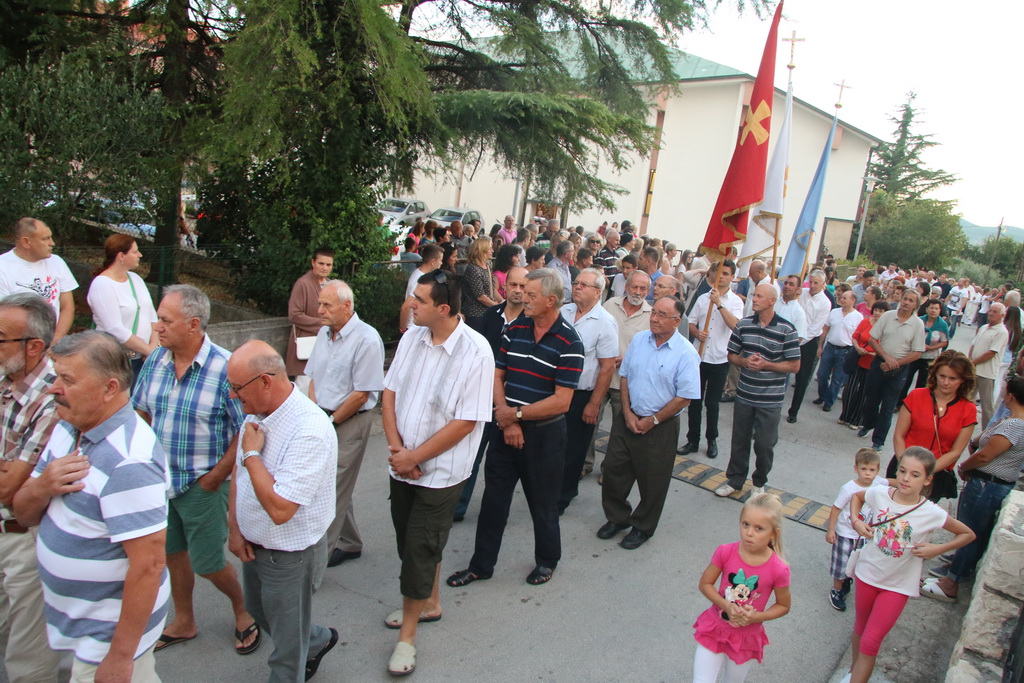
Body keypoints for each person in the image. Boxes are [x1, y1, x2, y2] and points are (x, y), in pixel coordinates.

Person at [13, 331, 170, 682]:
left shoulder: (130, 462)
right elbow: (23, 513)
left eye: (68, 380)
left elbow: (149, 565)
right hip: (73, 627)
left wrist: (120, 658)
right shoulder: (67, 427)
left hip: (105, 641)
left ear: (109, 388)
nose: (54, 389)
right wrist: (43, 485)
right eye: (56, 376)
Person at [131, 284, 258, 655]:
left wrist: (215, 477)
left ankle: (244, 609)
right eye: (158, 318)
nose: (157, 326)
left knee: (208, 563)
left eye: (165, 320)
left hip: (203, 485)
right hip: (160, 482)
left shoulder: (226, 367)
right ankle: (184, 621)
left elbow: (247, 427)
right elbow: (140, 411)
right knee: (171, 555)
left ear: (193, 324)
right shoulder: (156, 360)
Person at [381, 268, 493, 675]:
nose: (410, 304)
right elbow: (389, 394)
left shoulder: (477, 352)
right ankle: (428, 601)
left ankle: (407, 637)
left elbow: (466, 423)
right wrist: (399, 451)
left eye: (419, 300)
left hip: (441, 474)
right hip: (402, 465)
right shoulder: (412, 337)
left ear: (443, 309)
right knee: (410, 541)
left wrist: (415, 458)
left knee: (420, 548)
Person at [446, 269, 583, 588]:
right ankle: (481, 565)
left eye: (531, 295)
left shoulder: (570, 342)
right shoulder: (516, 328)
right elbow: (497, 375)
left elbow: (562, 401)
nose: (523, 298)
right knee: (493, 502)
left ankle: (547, 560)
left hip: (545, 436)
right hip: (505, 428)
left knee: (543, 504)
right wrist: (506, 417)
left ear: (551, 300)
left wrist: (515, 416)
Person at [225, 342, 339, 682]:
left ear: (265, 381)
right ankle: (315, 639)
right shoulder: (256, 411)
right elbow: (239, 475)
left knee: (287, 653)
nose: (232, 395)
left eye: (237, 387)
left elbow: (280, 509)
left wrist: (252, 455)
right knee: (260, 611)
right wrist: (235, 528)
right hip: (255, 544)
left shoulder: (310, 429)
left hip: (289, 554)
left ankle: (302, 647)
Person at [845, 448, 975, 683]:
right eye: (902, 471)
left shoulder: (931, 512)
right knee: (860, 629)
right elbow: (857, 497)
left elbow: (967, 534)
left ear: (927, 480)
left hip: (897, 586)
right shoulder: (880, 494)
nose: (906, 478)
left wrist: (937, 549)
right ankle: (853, 672)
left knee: (871, 642)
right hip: (867, 574)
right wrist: (856, 521)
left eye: (915, 475)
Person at [598, 296, 700, 548]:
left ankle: (642, 527)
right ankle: (617, 517)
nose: (654, 318)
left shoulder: (686, 353)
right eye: (653, 312)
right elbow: (625, 376)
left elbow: (684, 397)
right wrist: (628, 412)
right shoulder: (640, 340)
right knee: (614, 471)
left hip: (660, 426)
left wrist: (652, 421)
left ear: (676, 321)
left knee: (653, 480)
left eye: (662, 315)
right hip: (628, 417)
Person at [0, 294, 62, 683]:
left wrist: (12, 474)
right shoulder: (5, 377)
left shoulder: (53, 396)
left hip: (22, 539)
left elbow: (11, 489)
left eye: (0, 338)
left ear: (34, 346)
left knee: (28, 662)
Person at [921, 377, 1024, 603]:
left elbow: (985, 455)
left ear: (1010, 396)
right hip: (995, 483)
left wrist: (964, 466)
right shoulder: (1011, 422)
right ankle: (957, 569)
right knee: (975, 531)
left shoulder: (1014, 426)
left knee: (969, 531)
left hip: (987, 483)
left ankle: (951, 583)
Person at [306, 280, 385, 567]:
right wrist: (315, 415)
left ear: (346, 306)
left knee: (330, 490)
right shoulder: (323, 333)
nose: (320, 310)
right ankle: (350, 543)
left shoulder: (367, 339)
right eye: (319, 304)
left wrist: (330, 420)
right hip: (323, 418)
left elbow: (362, 393)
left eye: (326, 305)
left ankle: (315, 562)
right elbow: (313, 378)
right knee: (335, 484)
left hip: (350, 422)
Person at [453, 267, 528, 522]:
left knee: (500, 464)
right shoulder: (490, 316)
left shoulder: (531, 323)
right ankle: (458, 507)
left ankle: (493, 513)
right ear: (504, 287)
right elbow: (473, 352)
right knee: (471, 453)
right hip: (482, 398)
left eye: (523, 286)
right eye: (513, 285)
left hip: (511, 404)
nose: (517, 290)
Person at [691, 493, 791, 683]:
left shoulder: (779, 569)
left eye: (759, 528)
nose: (749, 532)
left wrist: (757, 617)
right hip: (714, 628)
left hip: (746, 638)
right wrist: (725, 605)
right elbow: (705, 584)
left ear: (773, 533)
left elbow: (784, 605)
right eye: (745, 524)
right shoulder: (726, 551)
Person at [716, 284, 800, 497]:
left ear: (772, 301)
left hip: (771, 399)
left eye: (759, 296)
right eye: (754, 295)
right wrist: (745, 362)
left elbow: (794, 365)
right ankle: (735, 480)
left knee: (764, 444)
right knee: (739, 440)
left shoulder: (787, 329)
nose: (753, 299)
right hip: (745, 395)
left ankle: (759, 483)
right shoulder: (743, 325)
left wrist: (767, 365)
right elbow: (731, 355)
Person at [557, 268, 618, 513]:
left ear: (598, 292)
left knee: (573, 448)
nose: (577, 287)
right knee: (552, 444)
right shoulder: (563, 311)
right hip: (555, 390)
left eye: (584, 284)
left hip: (581, 395)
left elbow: (607, 367)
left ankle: (563, 495)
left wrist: (594, 404)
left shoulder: (605, 322)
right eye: (576, 282)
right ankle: (548, 487)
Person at [583, 270, 653, 480]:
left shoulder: (651, 315)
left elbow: (651, 350)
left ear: (647, 291)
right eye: (634, 287)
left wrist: (629, 358)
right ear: (626, 287)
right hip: (600, 376)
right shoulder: (610, 305)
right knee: (589, 422)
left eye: (643, 288)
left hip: (625, 383)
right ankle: (584, 464)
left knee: (619, 430)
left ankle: (610, 470)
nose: (638, 292)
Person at [890, 351, 977, 501]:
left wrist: (924, 472)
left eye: (953, 378)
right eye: (942, 376)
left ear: (963, 380)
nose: (946, 382)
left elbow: (956, 452)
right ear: (934, 374)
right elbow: (899, 436)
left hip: (935, 475)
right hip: (903, 467)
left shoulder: (968, 409)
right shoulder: (916, 396)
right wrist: (906, 467)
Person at [680, 259, 743, 459]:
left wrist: (719, 304)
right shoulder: (702, 298)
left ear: (732, 277)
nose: (721, 277)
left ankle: (711, 439)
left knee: (712, 403)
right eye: (719, 272)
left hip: (719, 358)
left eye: (726, 274)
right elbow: (690, 322)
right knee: (695, 401)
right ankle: (693, 439)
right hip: (699, 356)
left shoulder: (735, 302)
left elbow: (735, 326)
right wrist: (696, 332)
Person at [857, 289, 926, 451]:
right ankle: (868, 424)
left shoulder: (917, 324)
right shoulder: (888, 316)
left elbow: (917, 353)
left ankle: (878, 441)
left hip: (899, 369)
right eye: (905, 299)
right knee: (871, 399)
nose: (906, 302)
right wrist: (886, 358)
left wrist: (895, 363)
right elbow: (873, 340)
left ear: (916, 305)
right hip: (879, 363)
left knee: (888, 406)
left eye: (911, 301)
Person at [87, 234, 159, 382]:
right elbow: (115, 328)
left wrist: (153, 346)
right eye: (135, 251)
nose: (140, 255)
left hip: (143, 358)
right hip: (116, 360)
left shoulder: (136, 279)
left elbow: (152, 315)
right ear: (121, 256)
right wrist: (149, 350)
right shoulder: (102, 284)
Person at [825, 448, 888, 613]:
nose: (867, 473)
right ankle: (837, 590)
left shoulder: (878, 483)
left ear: (878, 471)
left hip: (866, 535)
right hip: (845, 534)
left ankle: (847, 579)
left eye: (872, 470)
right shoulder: (848, 488)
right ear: (856, 468)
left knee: (859, 561)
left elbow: (892, 483)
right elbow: (836, 508)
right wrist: (831, 530)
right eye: (863, 469)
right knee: (841, 564)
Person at [0, 218, 78, 342]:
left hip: (52, 341)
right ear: (26, 242)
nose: (52, 243)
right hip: (18, 343)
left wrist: (55, 340)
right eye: (45, 238)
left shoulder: (57, 262)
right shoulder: (3, 268)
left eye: (50, 237)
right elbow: (4, 317)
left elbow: (67, 307)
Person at [788, 270, 831, 423]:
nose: (812, 286)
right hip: (792, 337)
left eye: (816, 283)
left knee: (802, 378)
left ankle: (794, 411)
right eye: (811, 282)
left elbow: (814, 328)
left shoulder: (825, 303)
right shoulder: (802, 293)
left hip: (808, 342)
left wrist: (798, 342)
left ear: (823, 284)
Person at [285, 247, 334, 378]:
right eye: (321, 263)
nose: (324, 268)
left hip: (327, 343)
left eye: (328, 265)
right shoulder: (303, 283)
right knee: (305, 384)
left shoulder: (332, 285)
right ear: (313, 262)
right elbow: (294, 314)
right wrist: (323, 324)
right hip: (307, 341)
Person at [839, 302, 888, 431]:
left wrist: (874, 353)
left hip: (872, 363)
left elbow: (886, 346)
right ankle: (845, 414)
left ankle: (856, 419)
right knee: (850, 389)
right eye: (876, 310)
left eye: (881, 311)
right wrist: (858, 348)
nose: (877, 313)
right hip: (858, 359)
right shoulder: (865, 322)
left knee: (863, 393)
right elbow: (855, 337)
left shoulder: (886, 328)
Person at [814, 291, 863, 412]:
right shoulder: (834, 312)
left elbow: (858, 336)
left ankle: (829, 402)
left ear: (853, 301)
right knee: (822, 374)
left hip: (845, 351)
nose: (842, 299)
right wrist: (820, 346)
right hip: (830, 348)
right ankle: (822, 395)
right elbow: (825, 329)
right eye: (841, 297)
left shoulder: (858, 317)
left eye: (845, 298)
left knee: (837, 379)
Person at [897, 298, 949, 404]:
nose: (933, 311)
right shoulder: (919, 320)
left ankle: (916, 404)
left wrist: (931, 348)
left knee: (922, 382)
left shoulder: (942, 325)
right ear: (926, 309)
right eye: (931, 308)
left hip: (930, 357)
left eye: (936, 309)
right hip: (914, 355)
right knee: (906, 379)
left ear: (940, 311)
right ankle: (900, 402)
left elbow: (944, 342)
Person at [970, 302, 1009, 429]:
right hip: (974, 370)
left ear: (1002, 315)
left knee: (986, 405)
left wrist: (973, 362)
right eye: (990, 310)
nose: (991, 313)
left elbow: (991, 353)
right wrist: (969, 361)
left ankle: (987, 431)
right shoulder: (984, 327)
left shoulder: (1002, 332)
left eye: (995, 312)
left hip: (987, 373)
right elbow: (973, 345)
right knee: (967, 398)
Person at [399, 244, 443, 334]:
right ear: (433, 261)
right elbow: (406, 306)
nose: (441, 263)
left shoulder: (418, 272)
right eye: (440, 260)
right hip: (414, 327)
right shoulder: (420, 279)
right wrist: (403, 329)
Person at [461, 238, 502, 332]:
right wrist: (497, 306)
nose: (492, 251)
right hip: (475, 315)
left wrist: (503, 302)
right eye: (490, 248)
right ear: (482, 250)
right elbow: (480, 297)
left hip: (487, 312)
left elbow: (491, 288)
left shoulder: (487, 266)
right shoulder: (473, 269)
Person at [774, 275, 807, 343]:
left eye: (791, 284)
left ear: (798, 290)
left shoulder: (799, 313)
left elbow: (797, 338)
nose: (787, 286)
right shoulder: (773, 303)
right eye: (785, 283)